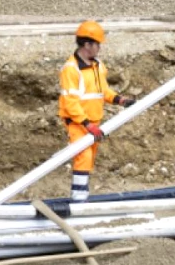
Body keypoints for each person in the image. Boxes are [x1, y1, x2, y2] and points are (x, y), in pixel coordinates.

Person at [58, 21, 136, 202]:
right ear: (87, 45)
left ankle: (82, 196)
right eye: (97, 44)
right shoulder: (71, 69)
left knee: (90, 158)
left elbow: (103, 91)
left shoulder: (98, 65)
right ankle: (78, 199)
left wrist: (120, 100)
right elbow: (70, 103)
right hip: (78, 123)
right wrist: (87, 124)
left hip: (94, 122)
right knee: (83, 157)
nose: (99, 48)